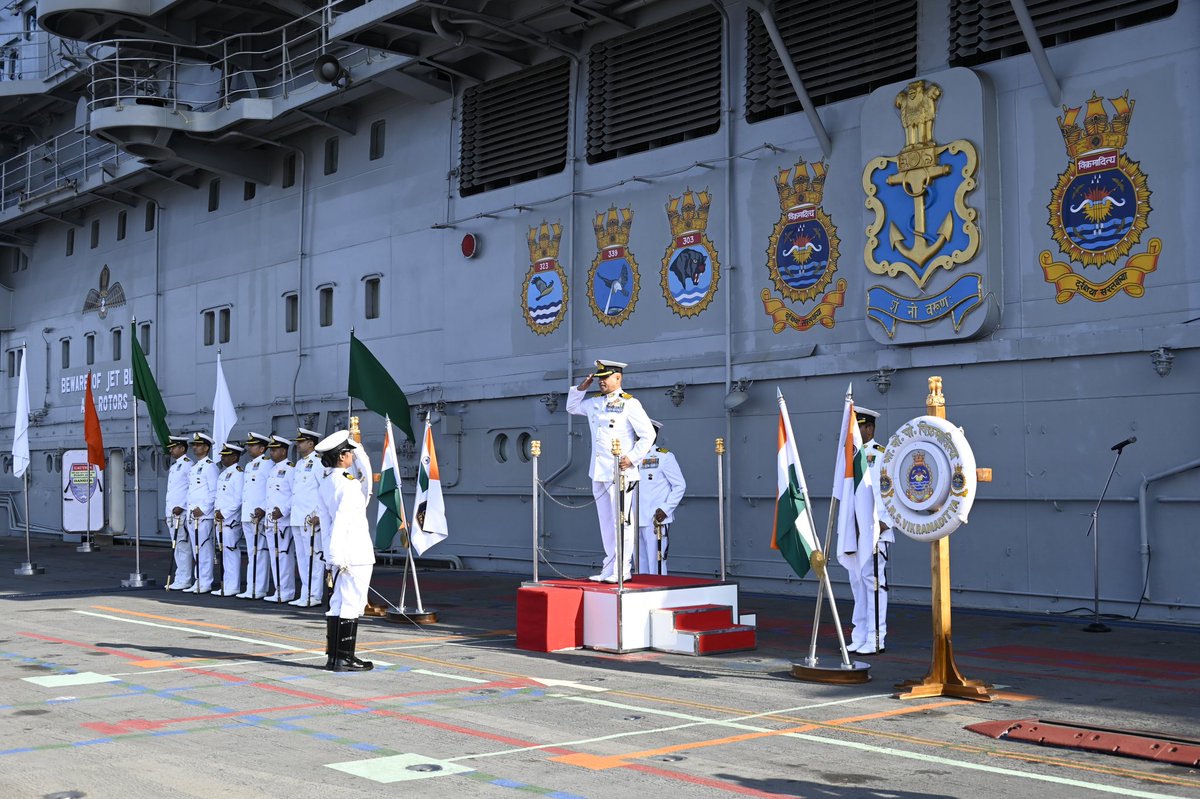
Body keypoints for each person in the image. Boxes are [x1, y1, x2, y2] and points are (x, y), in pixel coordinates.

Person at [566, 359, 656, 582]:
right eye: (599, 379)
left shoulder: (630, 404)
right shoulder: (595, 402)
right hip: (598, 470)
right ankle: (609, 566)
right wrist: (581, 388)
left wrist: (632, 458)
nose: (601, 382)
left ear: (618, 378)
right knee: (606, 522)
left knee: (622, 522)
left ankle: (623, 569)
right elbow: (572, 408)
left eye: (605, 378)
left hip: (621, 473)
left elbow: (648, 435)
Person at [314, 430, 375, 671]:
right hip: (353, 553)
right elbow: (341, 521)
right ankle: (345, 659)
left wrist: (330, 555)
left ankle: (335, 657)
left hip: (337, 553)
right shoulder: (349, 486)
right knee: (352, 603)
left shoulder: (328, 483)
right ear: (342, 457)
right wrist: (339, 555)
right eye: (350, 452)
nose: (352, 456)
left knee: (338, 603)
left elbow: (327, 523)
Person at [844, 407, 891, 655]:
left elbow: (891, 492)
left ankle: (876, 637)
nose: (853, 433)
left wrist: (885, 523)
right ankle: (860, 634)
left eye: (858, 428)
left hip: (875, 531)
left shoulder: (882, 456)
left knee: (873, 584)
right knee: (857, 584)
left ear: (868, 428)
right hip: (856, 531)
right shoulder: (851, 457)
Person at [636, 420, 686, 575]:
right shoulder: (630, 457)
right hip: (635, 519)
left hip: (655, 519)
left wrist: (666, 509)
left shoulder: (664, 457)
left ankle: (658, 594)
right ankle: (641, 594)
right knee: (639, 564)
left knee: (656, 563)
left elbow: (679, 485)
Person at [288, 427, 325, 607]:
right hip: (298, 517)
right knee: (302, 558)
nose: (297, 444)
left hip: (311, 518)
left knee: (314, 557)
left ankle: (315, 595)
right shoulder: (300, 464)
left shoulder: (319, 463)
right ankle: (305, 593)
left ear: (311, 443)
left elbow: (323, 490)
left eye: (301, 441)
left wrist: (318, 514)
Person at [236, 432, 272, 599]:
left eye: (252, 445)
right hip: (248, 515)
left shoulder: (267, 464)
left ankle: (259, 588)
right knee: (252, 553)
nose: (249, 448)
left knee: (260, 552)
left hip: (259, 515)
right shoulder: (250, 465)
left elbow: (270, 489)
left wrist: (264, 508)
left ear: (262, 448)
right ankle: (251, 587)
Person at [263, 434, 297, 603]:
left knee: (283, 556)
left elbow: (294, 494)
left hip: (282, 521)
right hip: (271, 522)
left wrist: (283, 511)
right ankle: (278, 590)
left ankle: (287, 591)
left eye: (275, 450)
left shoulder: (290, 469)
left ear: (283, 451)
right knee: (274, 557)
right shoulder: (272, 470)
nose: (272, 452)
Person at [184, 432, 219, 594]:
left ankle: (205, 581)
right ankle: (198, 579)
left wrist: (203, 509)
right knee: (196, 549)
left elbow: (213, 492)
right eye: (194, 445)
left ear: (206, 448)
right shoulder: (195, 467)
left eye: (198, 445)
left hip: (203, 516)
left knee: (204, 549)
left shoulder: (210, 467)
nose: (194, 447)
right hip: (193, 515)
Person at [212, 442, 244, 596]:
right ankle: (226, 584)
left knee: (231, 552)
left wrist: (223, 513)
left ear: (234, 457)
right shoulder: (224, 474)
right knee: (224, 553)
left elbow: (238, 499)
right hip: (220, 520)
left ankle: (233, 586)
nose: (223, 458)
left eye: (226, 456)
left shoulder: (238, 474)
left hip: (230, 520)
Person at [164, 435, 194, 590]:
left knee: (183, 545)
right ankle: (179, 576)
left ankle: (186, 578)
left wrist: (182, 506)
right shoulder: (175, 466)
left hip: (180, 512)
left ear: (182, 448)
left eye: (174, 447)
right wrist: (168, 512)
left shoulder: (188, 465)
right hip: (172, 512)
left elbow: (191, 488)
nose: (171, 450)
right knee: (177, 547)